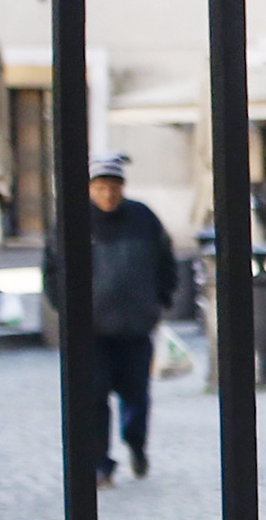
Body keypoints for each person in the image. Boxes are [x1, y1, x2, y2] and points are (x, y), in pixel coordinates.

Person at [45, 153, 178, 486]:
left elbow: (166, 260)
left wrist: (159, 300)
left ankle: (136, 444)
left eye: (114, 186)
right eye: (101, 186)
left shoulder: (142, 217)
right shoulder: (72, 221)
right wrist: (67, 311)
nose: (108, 194)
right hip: (91, 331)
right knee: (93, 398)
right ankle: (100, 463)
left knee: (136, 395)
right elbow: (52, 271)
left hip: (135, 326)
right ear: (90, 188)